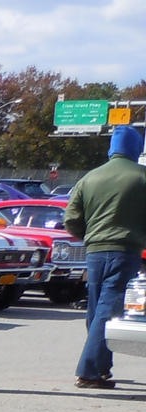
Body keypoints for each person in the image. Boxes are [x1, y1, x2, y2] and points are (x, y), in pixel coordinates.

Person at [63, 124, 146, 389]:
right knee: (108, 311)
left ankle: (100, 366)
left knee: (96, 308)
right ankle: (88, 371)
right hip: (126, 251)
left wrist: (90, 235)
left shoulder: (90, 177)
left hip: (94, 251)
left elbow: (71, 219)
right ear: (137, 148)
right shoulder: (142, 176)